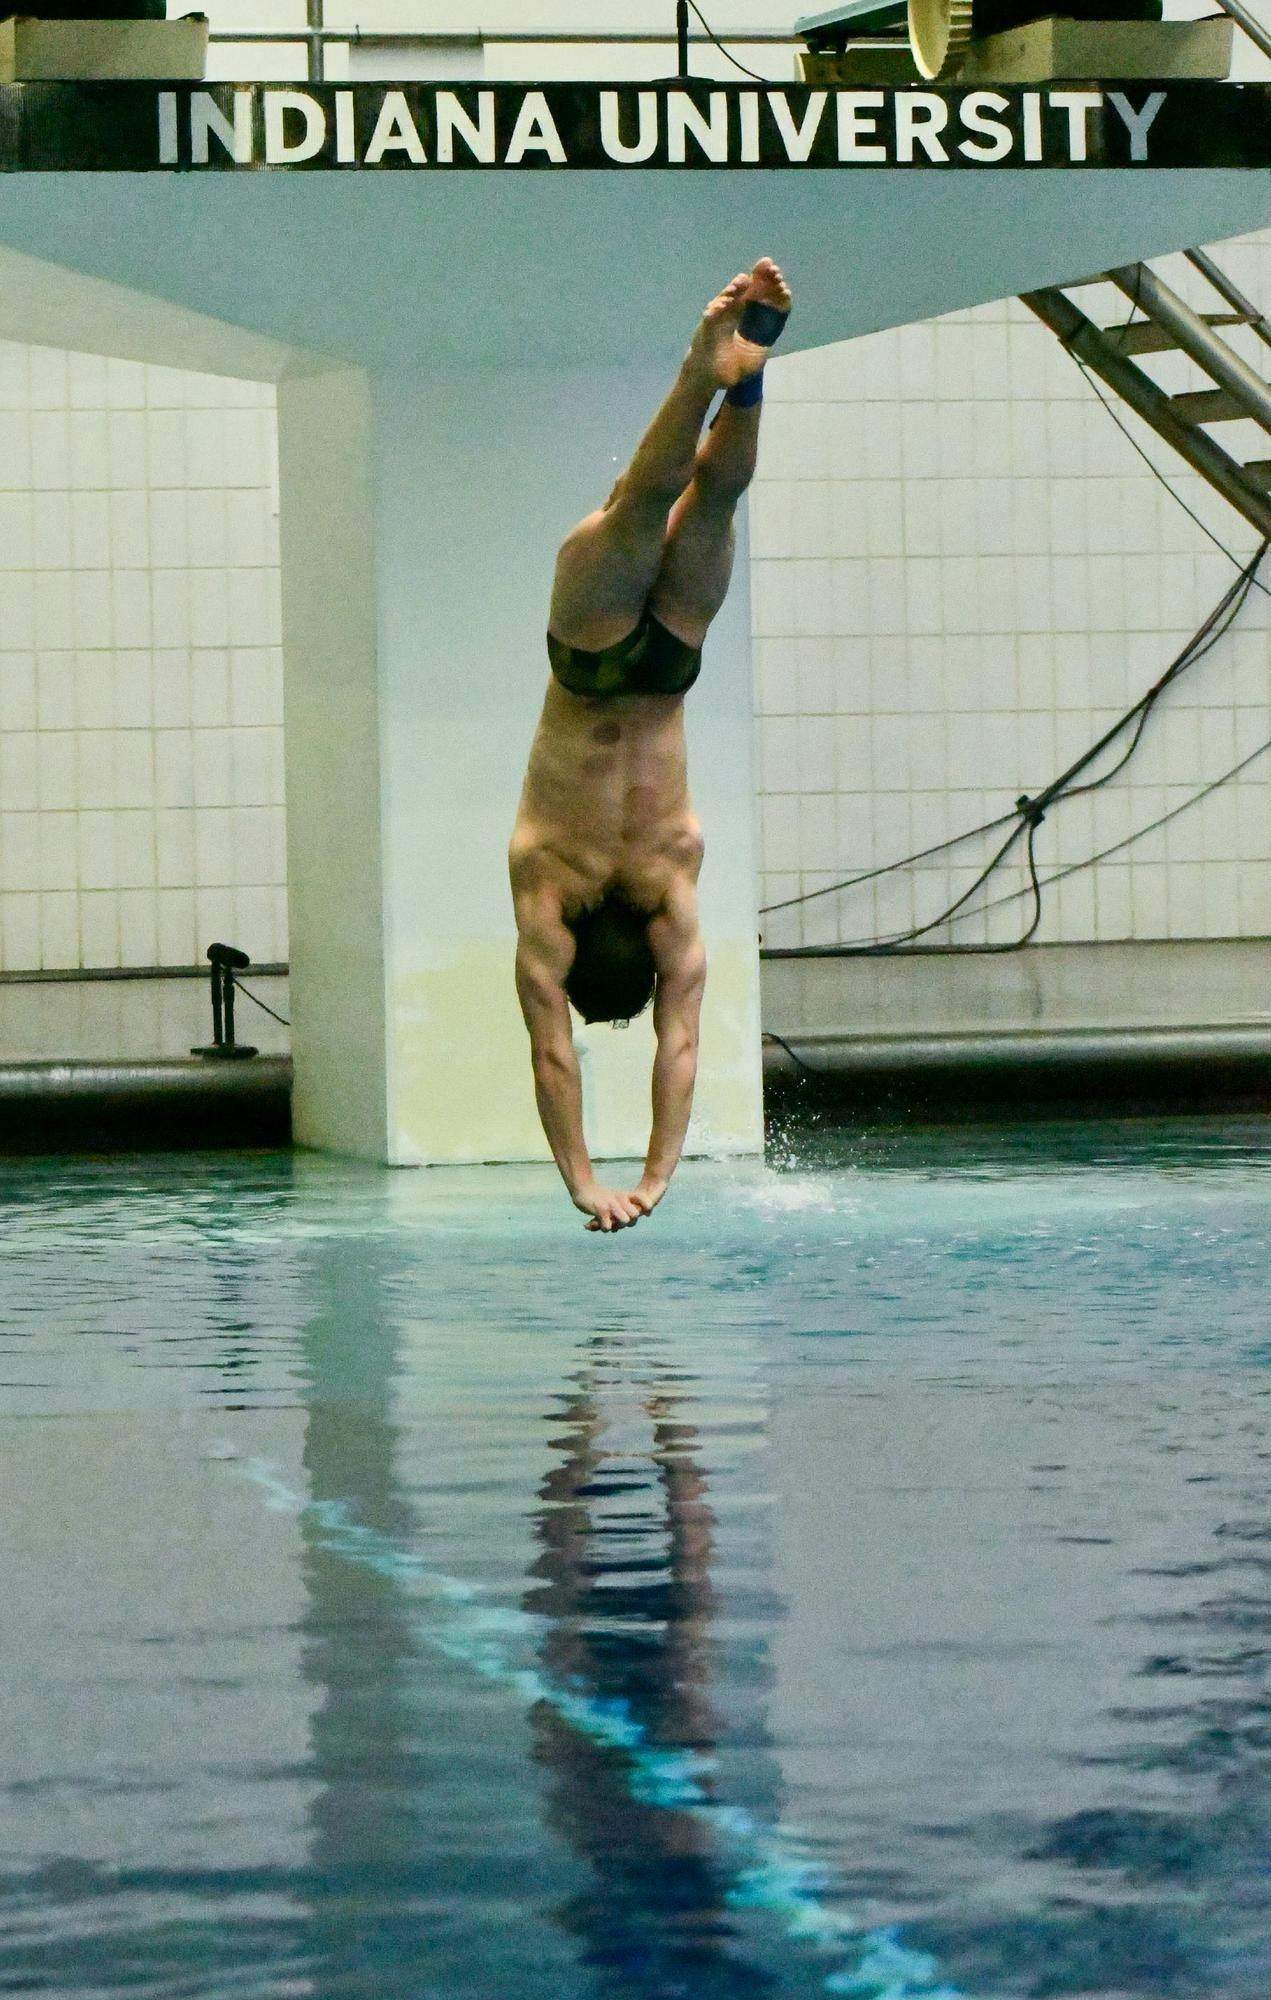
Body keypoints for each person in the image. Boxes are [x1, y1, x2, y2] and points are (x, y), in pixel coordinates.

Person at [509, 258, 792, 1233]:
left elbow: (676, 1042)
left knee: (695, 505)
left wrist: (645, 1177)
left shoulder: (675, 884)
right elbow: (553, 1049)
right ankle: (712, 368)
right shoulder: (543, 883)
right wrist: (601, 1175)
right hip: (587, 667)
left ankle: (738, 373)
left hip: (665, 666)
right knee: (644, 502)